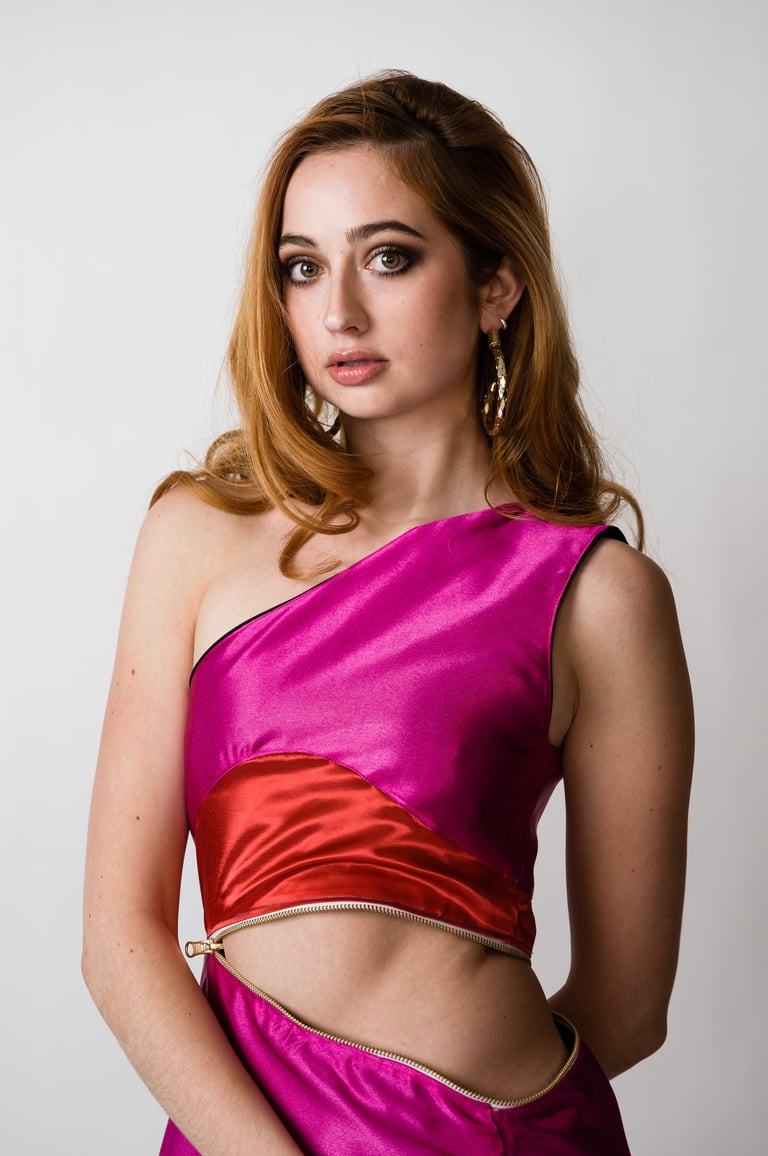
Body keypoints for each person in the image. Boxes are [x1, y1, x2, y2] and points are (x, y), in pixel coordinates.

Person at [82, 71, 694, 1155]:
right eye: (303, 266)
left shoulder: (603, 596)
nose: (338, 313)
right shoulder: (196, 535)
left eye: (389, 257)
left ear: (498, 285)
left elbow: (630, 1003)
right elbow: (118, 938)